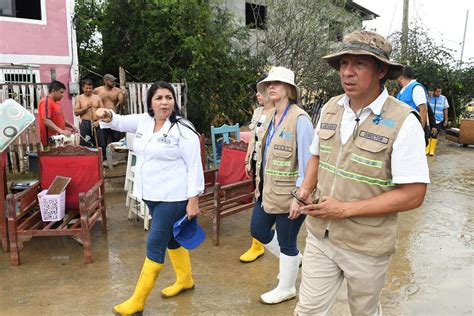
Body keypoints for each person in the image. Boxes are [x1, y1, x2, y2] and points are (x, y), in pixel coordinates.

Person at [292, 31, 429, 315]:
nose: (348, 72)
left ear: (381, 70)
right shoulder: (331, 108)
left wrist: (345, 209)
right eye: (343, 63)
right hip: (321, 236)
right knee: (307, 311)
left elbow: (414, 194)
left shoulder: (404, 121)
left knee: (363, 312)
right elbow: (317, 155)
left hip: (367, 245)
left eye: (359, 64)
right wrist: (304, 190)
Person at [96, 81, 204, 315]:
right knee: (172, 240)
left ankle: (137, 301)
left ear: (174, 101)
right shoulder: (144, 121)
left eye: (168, 97)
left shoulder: (183, 128)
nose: (164, 102)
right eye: (159, 98)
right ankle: (185, 280)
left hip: (173, 197)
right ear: (150, 102)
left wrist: (193, 199)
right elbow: (119, 121)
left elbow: (195, 165)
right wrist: (107, 114)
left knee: (155, 243)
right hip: (151, 194)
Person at [250, 66, 314, 305]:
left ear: (289, 89)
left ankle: (287, 287)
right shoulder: (269, 117)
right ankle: (294, 260)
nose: (271, 87)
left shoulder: (300, 119)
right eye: (268, 83)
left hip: (291, 194)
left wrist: (300, 196)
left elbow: (309, 163)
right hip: (267, 191)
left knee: (287, 241)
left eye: (277, 83)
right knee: (258, 229)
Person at [239, 73, 275, 264]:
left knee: (267, 200)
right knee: (257, 197)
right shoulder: (257, 112)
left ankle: (268, 240)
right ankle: (257, 245)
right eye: (257, 92)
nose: (258, 95)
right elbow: (253, 138)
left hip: (270, 165)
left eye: (261, 91)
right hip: (255, 162)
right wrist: (247, 160)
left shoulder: (278, 113)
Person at [38, 80, 78, 147]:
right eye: (61, 92)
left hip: (59, 139)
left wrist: (72, 126)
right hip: (51, 140)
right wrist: (61, 131)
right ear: (53, 91)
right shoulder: (46, 101)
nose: (62, 95)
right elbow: (46, 120)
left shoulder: (56, 103)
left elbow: (61, 119)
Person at [93, 74, 125, 151]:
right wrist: (95, 118)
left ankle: (115, 156)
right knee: (102, 140)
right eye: (111, 81)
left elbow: (122, 104)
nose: (113, 82)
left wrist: (122, 93)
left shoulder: (117, 90)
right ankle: (103, 157)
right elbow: (93, 103)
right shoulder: (97, 90)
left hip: (113, 117)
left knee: (116, 138)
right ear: (105, 81)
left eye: (114, 81)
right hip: (102, 118)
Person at [74, 79, 104, 149]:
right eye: (86, 88)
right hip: (85, 123)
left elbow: (103, 111)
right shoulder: (79, 98)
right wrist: (86, 108)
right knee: (85, 143)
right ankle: (87, 159)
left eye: (90, 88)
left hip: (97, 123)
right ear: (82, 88)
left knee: (100, 143)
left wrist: (98, 121)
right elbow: (76, 112)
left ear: (92, 88)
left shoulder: (97, 97)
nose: (88, 90)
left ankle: (100, 158)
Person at [427, 85, 449, 156]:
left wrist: (446, 119)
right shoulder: (429, 97)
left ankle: (432, 150)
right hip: (429, 120)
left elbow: (445, 109)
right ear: (433, 91)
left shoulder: (443, 98)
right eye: (437, 92)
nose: (439, 93)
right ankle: (427, 149)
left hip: (439, 120)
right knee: (428, 134)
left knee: (435, 134)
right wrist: (429, 96)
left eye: (440, 92)